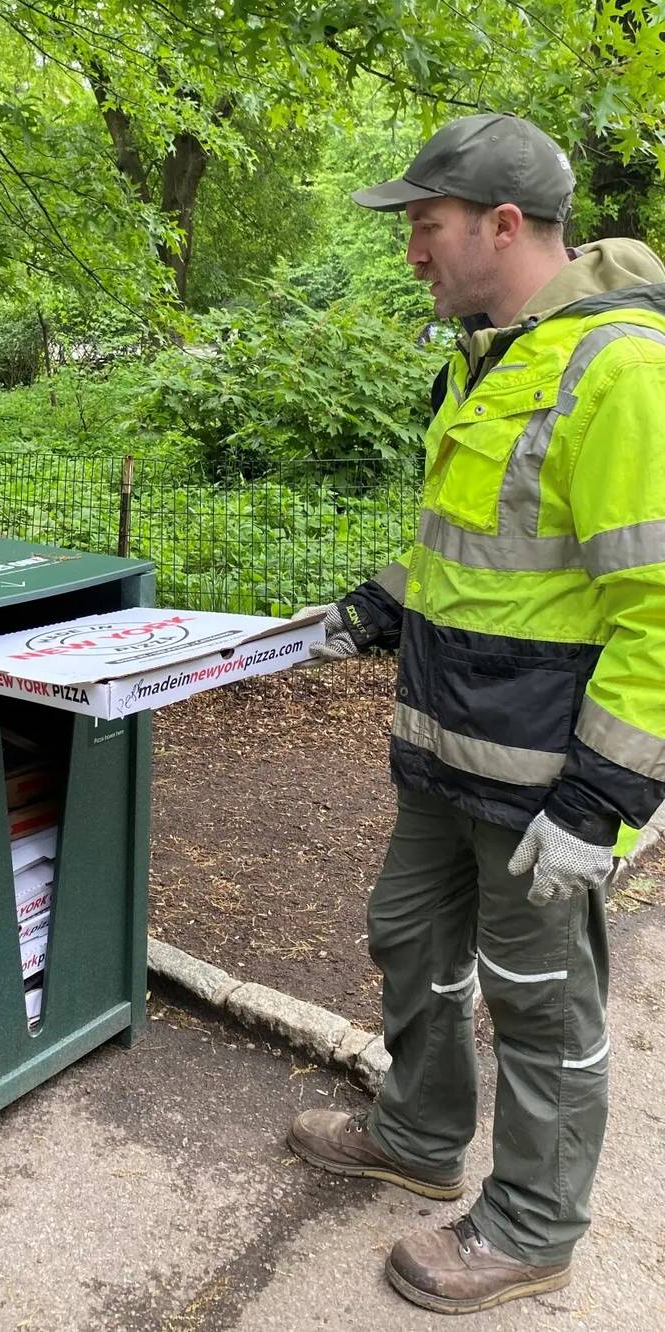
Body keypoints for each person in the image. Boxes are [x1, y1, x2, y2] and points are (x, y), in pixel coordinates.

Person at [288, 112, 665, 1316]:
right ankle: (417, 1133)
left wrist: (603, 801)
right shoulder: (490, 358)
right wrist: (374, 606)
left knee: (539, 1003)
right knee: (407, 939)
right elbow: (482, 553)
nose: (411, 252)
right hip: (443, 751)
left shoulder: (620, 371)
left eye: (427, 226)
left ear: (504, 225)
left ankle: (533, 1228)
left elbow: (658, 607)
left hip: (545, 781)